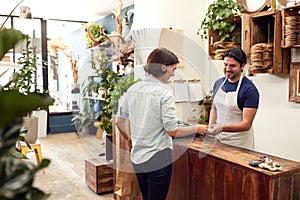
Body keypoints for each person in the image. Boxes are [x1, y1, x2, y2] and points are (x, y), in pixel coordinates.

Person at [115, 47, 207, 200]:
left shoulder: (133, 89)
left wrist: (129, 139)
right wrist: (197, 128)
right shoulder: (164, 92)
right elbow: (172, 131)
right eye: (173, 69)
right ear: (164, 67)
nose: (173, 73)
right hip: (158, 157)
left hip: (138, 157)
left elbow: (119, 121)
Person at [207, 48, 259, 150]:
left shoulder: (249, 90)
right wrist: (210, 128)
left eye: (232, 66)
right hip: (217, 141)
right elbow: (214, 108)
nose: (228, 69)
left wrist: (222, 128)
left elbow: (246, 124)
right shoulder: (218, 83)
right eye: (225, 64)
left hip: (239, 144)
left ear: (242, 66)